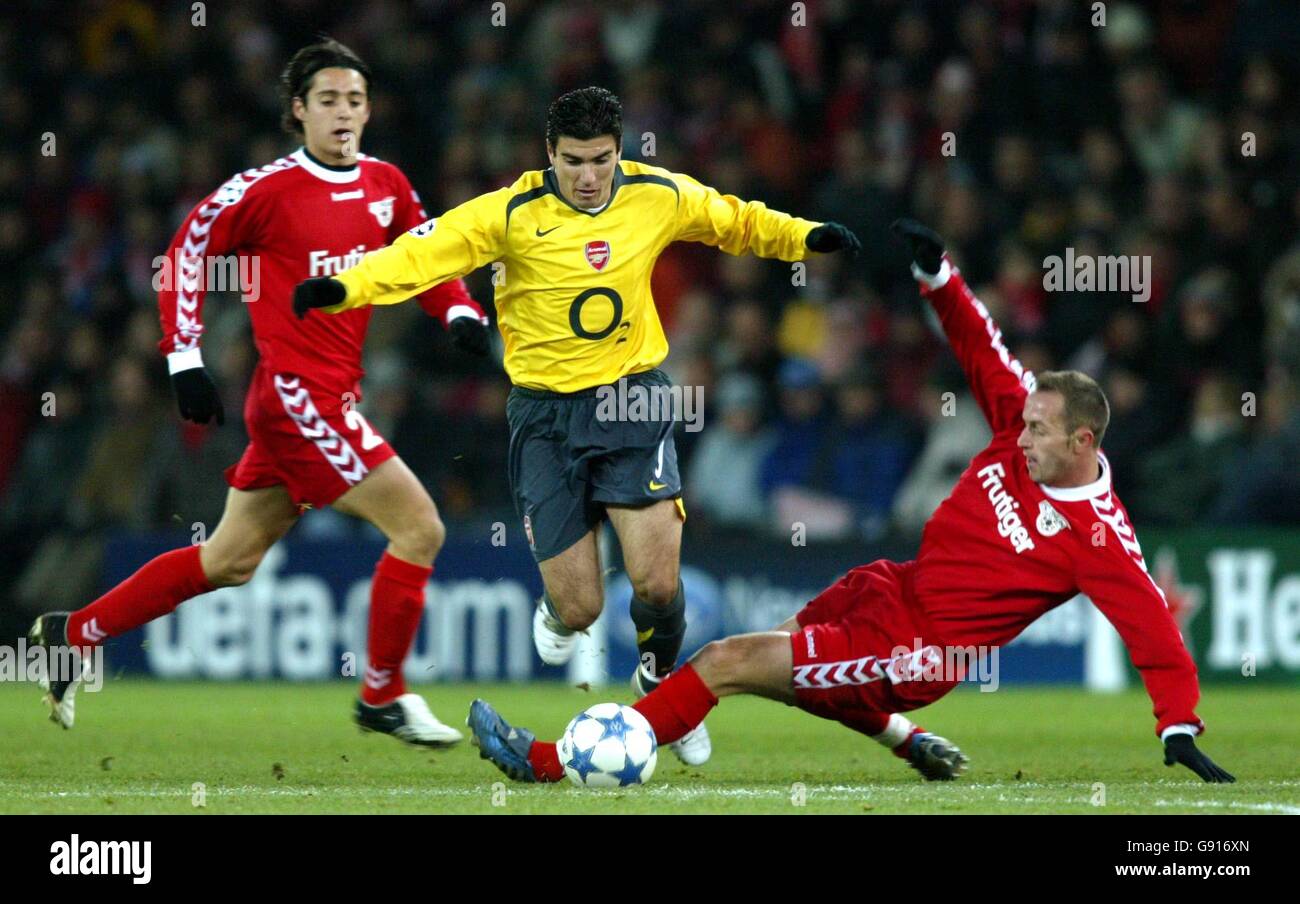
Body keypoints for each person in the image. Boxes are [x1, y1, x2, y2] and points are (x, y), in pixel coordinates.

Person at [465, 219, 1235, 785]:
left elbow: (1150, 627)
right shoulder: (1019, 419)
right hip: (893, 586)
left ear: (1083, 446)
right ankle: (899, 738)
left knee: (729, 660)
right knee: (787, 657)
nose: (1021, 433)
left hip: (922, 648)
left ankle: (543, 764)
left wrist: (1178, 723)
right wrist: (939, 278)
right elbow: (981, 347)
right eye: (1024, 420)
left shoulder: (1099, 536)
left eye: (1039, 430)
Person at [293, 87, 863, 765]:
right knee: (582, 607)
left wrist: (805, 237)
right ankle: (559, 612)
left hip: (634, 397)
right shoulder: (508, 214)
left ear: (619, 150)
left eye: (599, 160)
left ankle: (659, 690)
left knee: (655, 584)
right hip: (544, 414)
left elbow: (733, 221)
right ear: (548, 155)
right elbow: (424, 253)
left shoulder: (656, 193)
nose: (588, 177)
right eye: (573, 163)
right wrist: (346, 287)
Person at [28, 38, 491, 745]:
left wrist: (458, 309)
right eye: (329, 100)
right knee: (420, 527)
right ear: (298, 111)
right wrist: (184, 358)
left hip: (329, 399)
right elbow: (185, 252)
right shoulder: (263, 190)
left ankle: (73, 633)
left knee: (228, 561)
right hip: (298, 398)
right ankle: (382, 697)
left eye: (356, 101)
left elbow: (425, 256)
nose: (344, 113)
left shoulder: (387, 185)